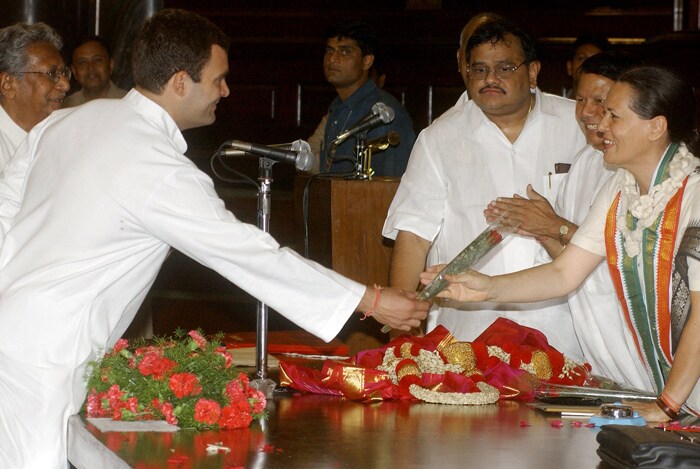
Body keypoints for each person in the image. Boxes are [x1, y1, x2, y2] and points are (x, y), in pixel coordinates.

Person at [0, 9, 429, 467]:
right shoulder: (155, 163)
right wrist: (372, 299)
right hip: (46, 358)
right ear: (181, 82)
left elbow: (5, 213)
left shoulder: (65, 122)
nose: (225, 91)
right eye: (218, 79)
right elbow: (246, 253)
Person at [424, 65, 700, 421]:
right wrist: (485, 288)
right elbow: (563, 273)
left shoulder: (694, 194)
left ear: (656, 127)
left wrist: (668, 405)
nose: (600, 126)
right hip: (666, 394)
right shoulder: (620, 190)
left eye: (613, 116)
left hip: (680, 397)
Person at [383, 18, 587, 359]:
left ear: (533, 72)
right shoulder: (439, 138)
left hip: (562, 327)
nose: (490, 79)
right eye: (479, 69)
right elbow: (413, 236)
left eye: (504, 67)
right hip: (467, 331)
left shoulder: (578, 127)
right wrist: (403, 326)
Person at [485, 52, 648, 386]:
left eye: (600, 102)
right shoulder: (586, 160)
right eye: (580, 99)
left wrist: (553, 225)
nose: (587, 113)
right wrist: (538, 228)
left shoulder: (646, 169)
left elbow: (630, 257)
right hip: (598, 341)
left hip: (639, 336)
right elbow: (570, 265)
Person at [317, 20, 415, 176]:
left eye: (344, 52)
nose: (332, 59)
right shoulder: (337, 109)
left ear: (367, 61)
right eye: (329, 50)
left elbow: (394, 185)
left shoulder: (385, 114)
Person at [0, 22, 70, 171]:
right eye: (52, 74)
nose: (66, 85)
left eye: (64, 73)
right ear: (8, 85)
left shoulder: (62, 136)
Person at [63, 35, 127, 107]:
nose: (90, 68)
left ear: (111, 65)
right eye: (83, 63)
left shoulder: (129, 103)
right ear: (74, 71)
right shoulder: (65, 108)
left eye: (97, 60)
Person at [562, 34, 610, 98]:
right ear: (570, 67)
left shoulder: (612, 105)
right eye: (582, 58)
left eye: (596, 60)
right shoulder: (550, 104)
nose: (588, 64)